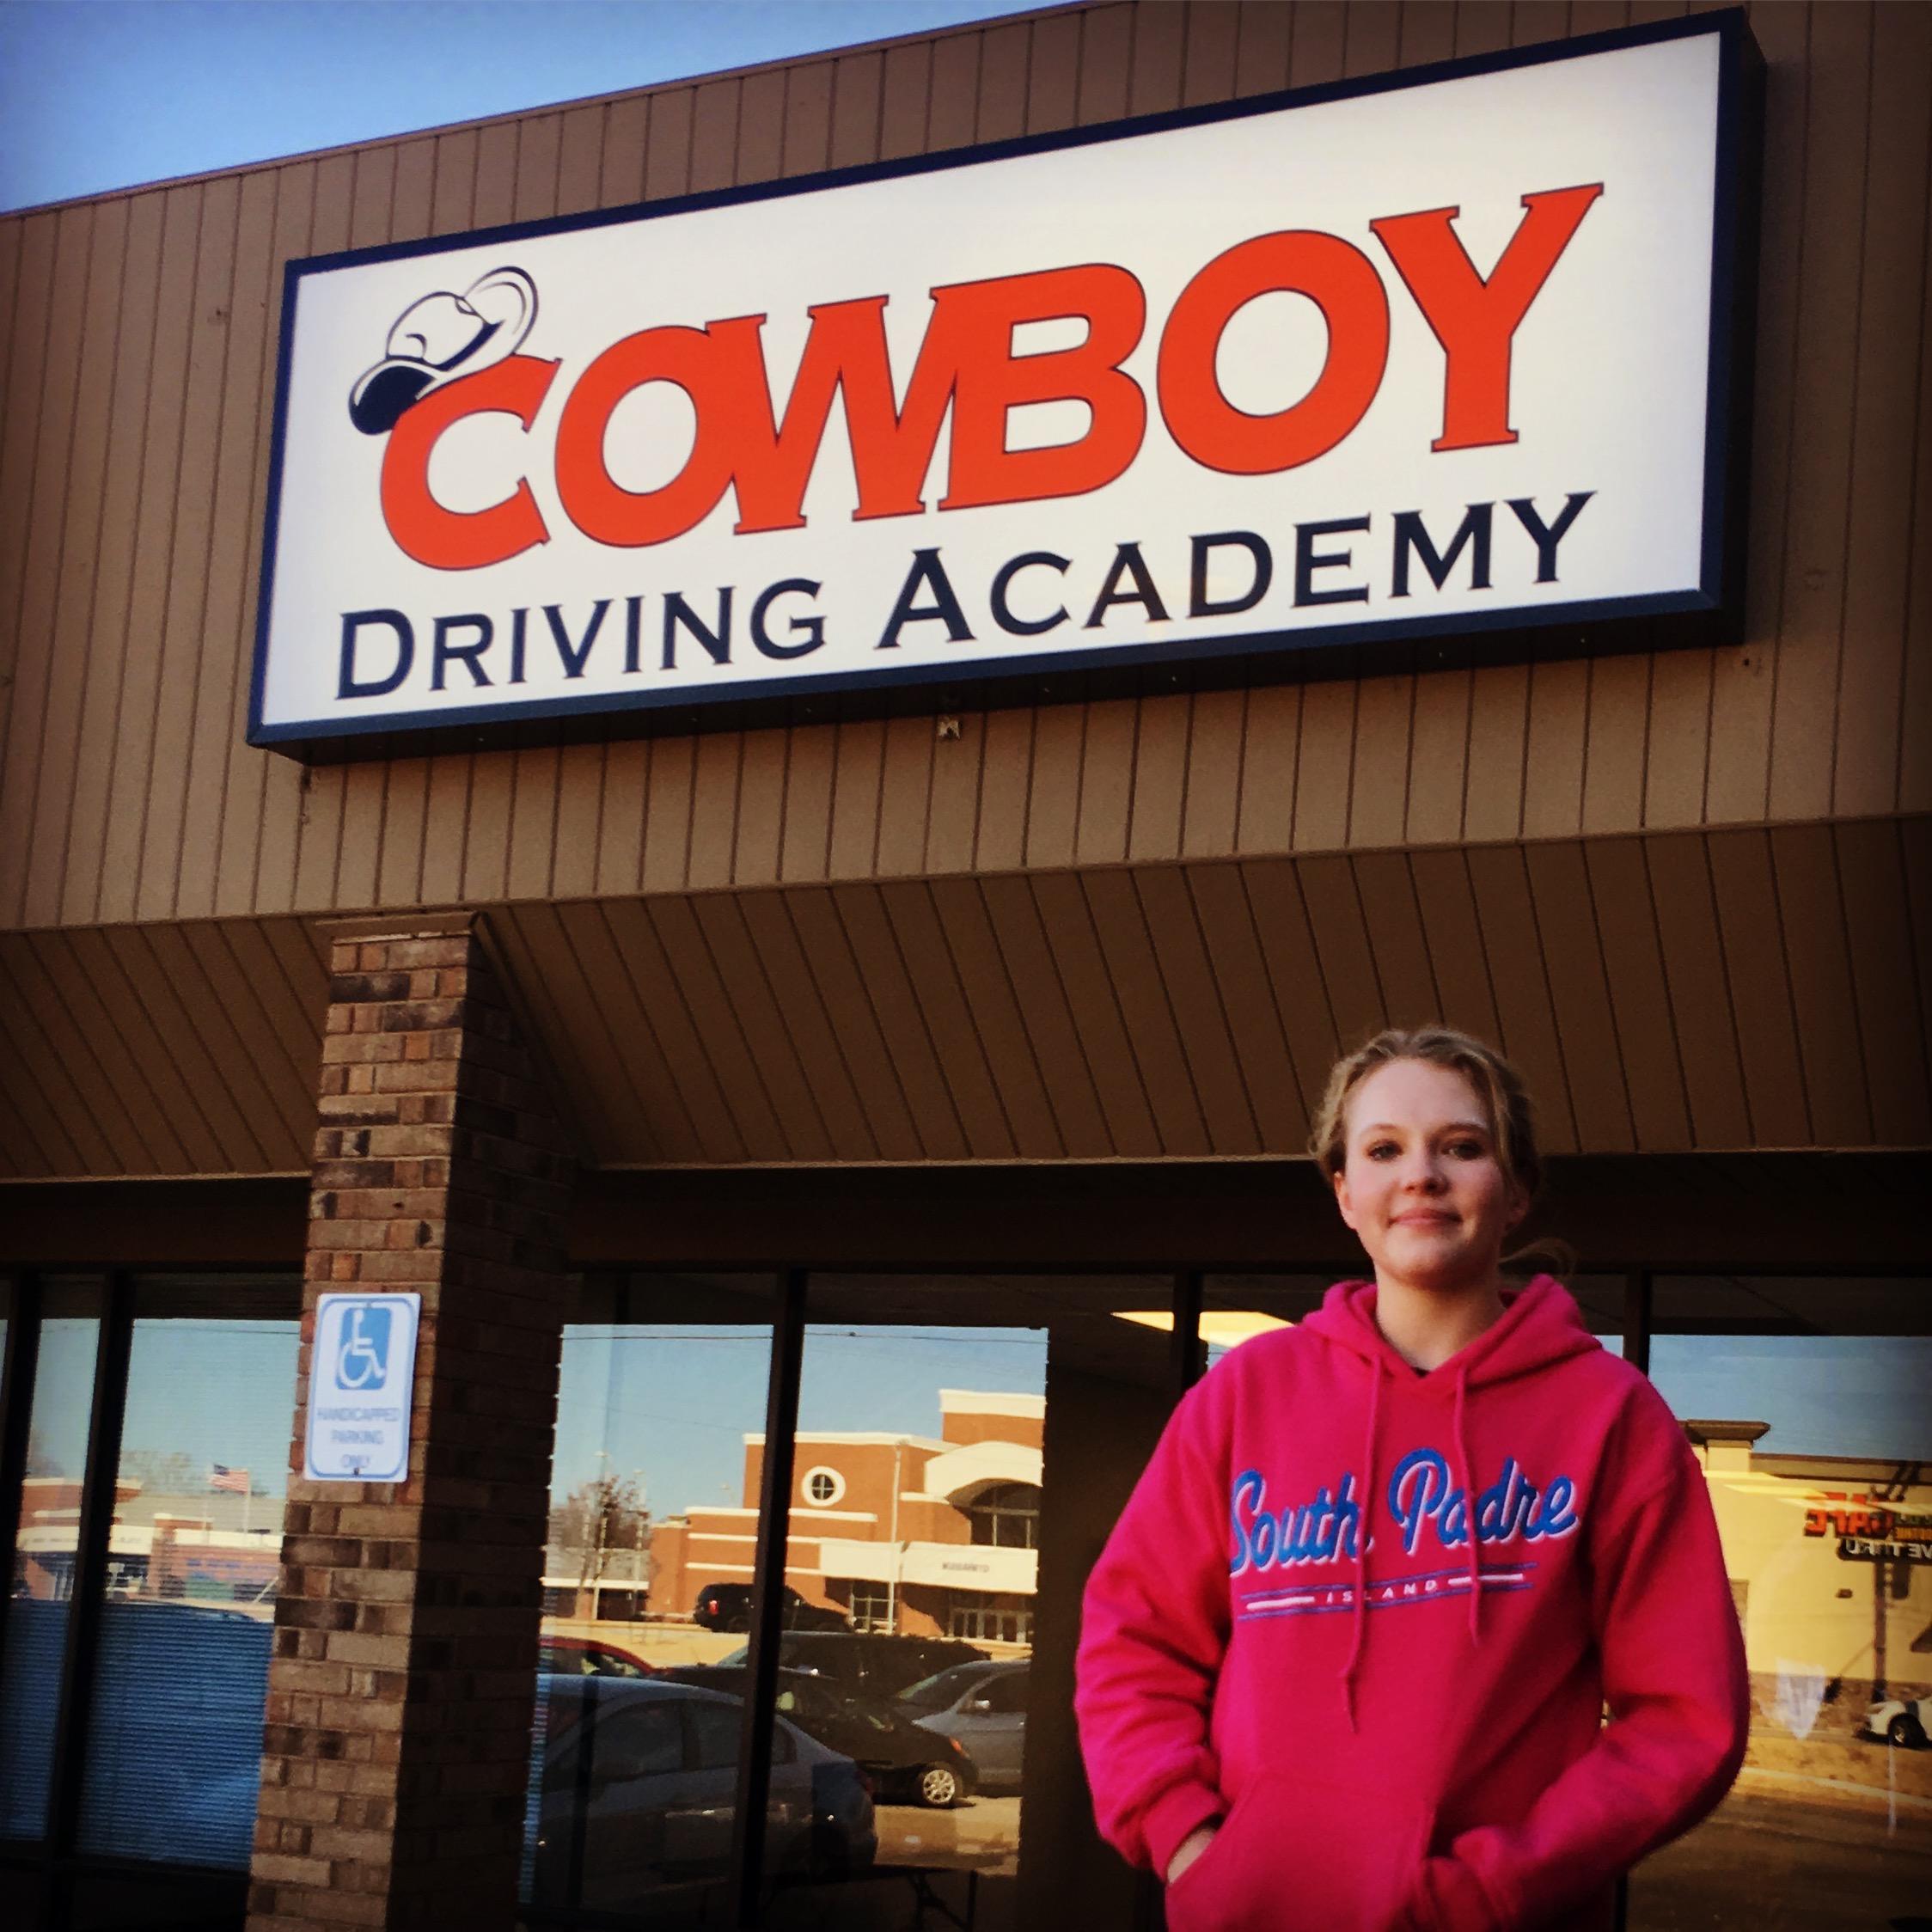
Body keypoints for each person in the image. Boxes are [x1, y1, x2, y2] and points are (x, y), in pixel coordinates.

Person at [1074, 1026, 1748, 1930]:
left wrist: (1496, 1886)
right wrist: (1189, 1842)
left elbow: (1683, 1717)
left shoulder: (1611, 1417)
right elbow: (1133, 1643)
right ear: (1345, 1192)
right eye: (1384, 1148)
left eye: (1461, 1147)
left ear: (1515, 1192)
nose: (1420, 1174)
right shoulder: (1245, 1393)